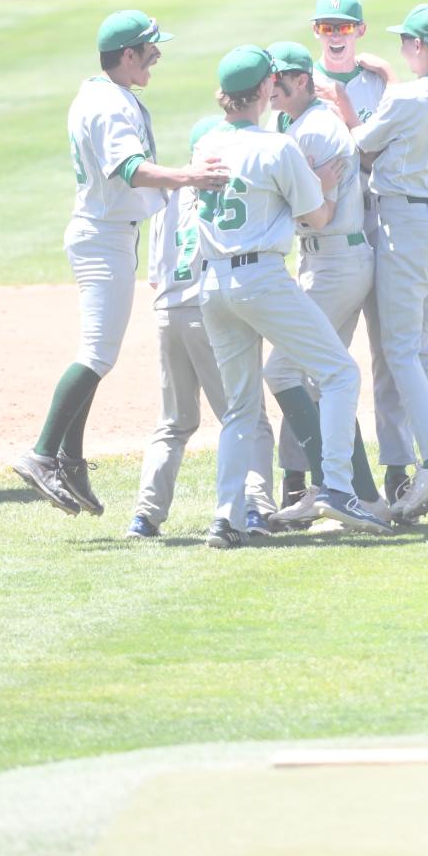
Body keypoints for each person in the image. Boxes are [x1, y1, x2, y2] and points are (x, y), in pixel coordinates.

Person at [12, 9, 229, 518]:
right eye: (151, 48)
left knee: (97, 353)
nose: (158, 54)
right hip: (104, 237)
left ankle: (70, 458)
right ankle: (43, 453)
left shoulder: (101, 93)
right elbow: (129, 169)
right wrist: (188, 176)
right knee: (96, 354)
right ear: (127, 55)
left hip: (107, 233)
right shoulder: (108, 104)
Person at [195, 44, 394, 548]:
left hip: (213, 284)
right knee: (339, 371)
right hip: (261, 279)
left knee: (240, 409)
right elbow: (318, 217)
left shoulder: (207, 146)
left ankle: (226, 517)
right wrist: (321, 186)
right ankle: (339, 487)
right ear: (263, 90)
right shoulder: (276, 147)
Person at [352, 4, 428, 522]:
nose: (403, 48)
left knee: (400, 350)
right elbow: (419, 102)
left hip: (403, 224)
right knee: (422, 349)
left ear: (420, 47)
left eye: (407, 41)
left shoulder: (403, 98)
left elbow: (359, 145)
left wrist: (349, 97)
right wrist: (393, 82)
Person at [126, 114, 277, 541]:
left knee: (174, 422)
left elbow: (155, 275)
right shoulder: (227, 189)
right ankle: (255, 508)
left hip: (167, 312)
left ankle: (145, 516)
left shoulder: (167, 197)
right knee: (248, 415)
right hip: (209, 312)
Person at [261, 41, 387, 529]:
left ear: (301, 81)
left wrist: (296, 187)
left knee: (284, 371)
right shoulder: (292, 124)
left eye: (279, 79)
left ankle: (333, 487)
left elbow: (316, 215)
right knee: (317, 376)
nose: (271, 87)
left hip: (336, 260)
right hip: (326, 261)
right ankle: (362, 494)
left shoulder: (316, 129)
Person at [309, 0, 415, 509]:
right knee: (322, 354)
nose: (334, 35)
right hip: (332, 234)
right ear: (315, 33)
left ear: (360, 32)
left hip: (385, 223)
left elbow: (399, 145)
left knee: (390, 351)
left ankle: (397, 468)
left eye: (343, 27)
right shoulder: (300, 83)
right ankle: (310, 475)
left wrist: (389, 82)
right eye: (326, 27)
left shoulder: (380, 82)